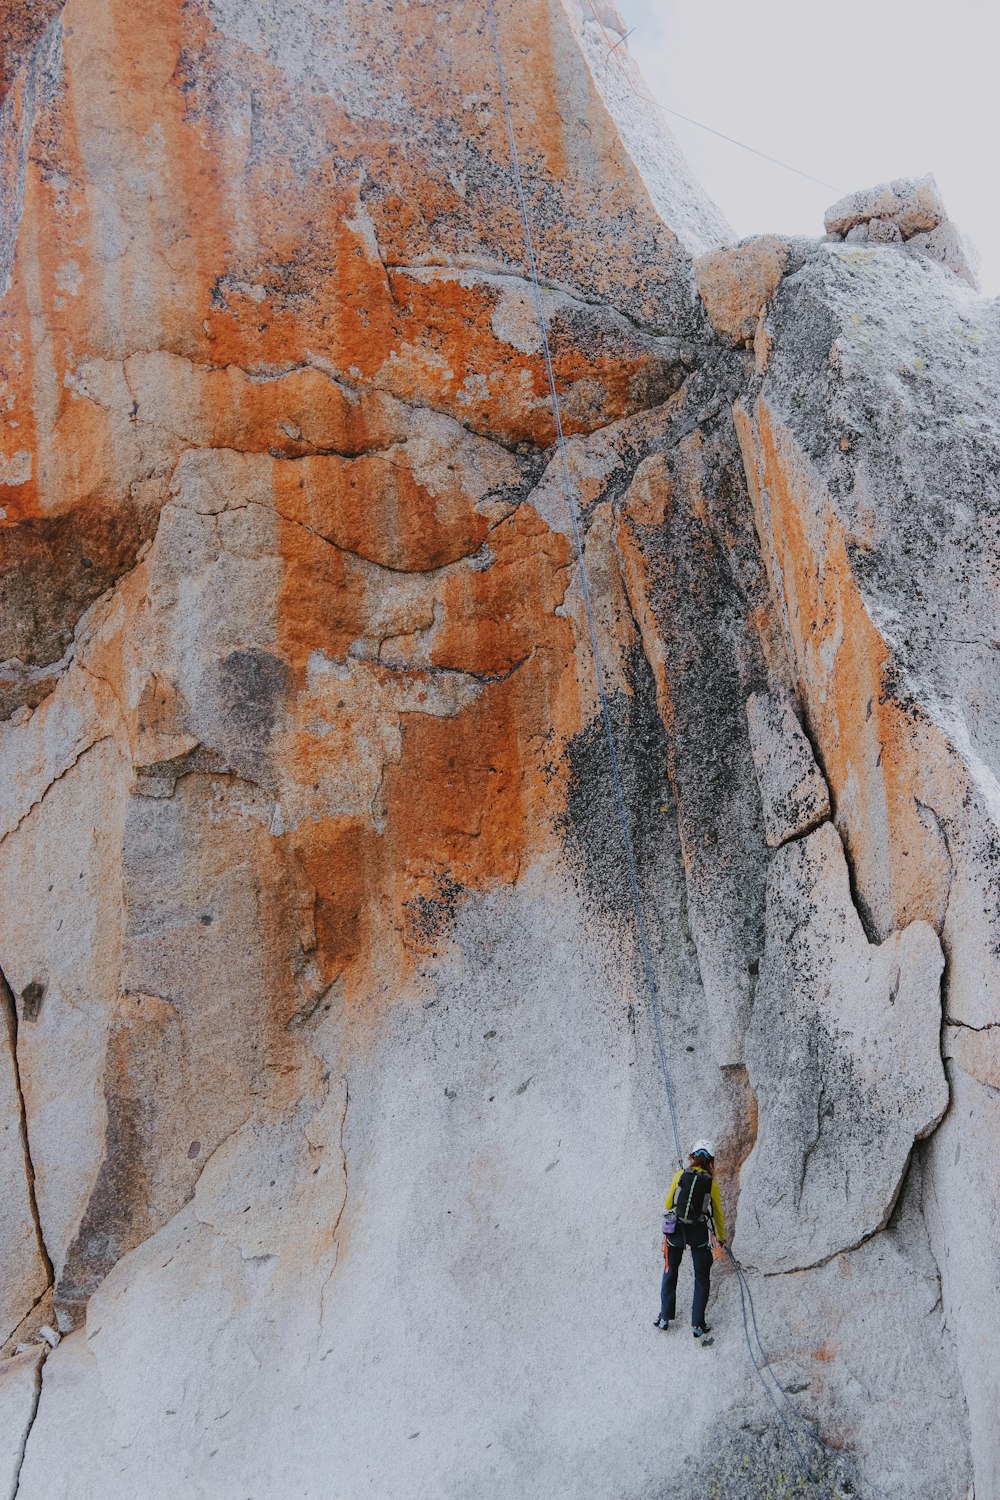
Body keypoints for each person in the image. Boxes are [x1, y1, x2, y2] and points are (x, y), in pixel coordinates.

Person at [654, 1139, 725, 1339]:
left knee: (670, 1269)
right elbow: (717, 1214)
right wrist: (721, 1237)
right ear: (711, 1161)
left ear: (692, 1157)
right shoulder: (711, 1183)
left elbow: (669, 1204)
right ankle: (697, 1325)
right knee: (701, 1278)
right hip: (698, 1234)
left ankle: (664, 1318)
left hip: (676, 1231)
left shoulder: (680, 1174)